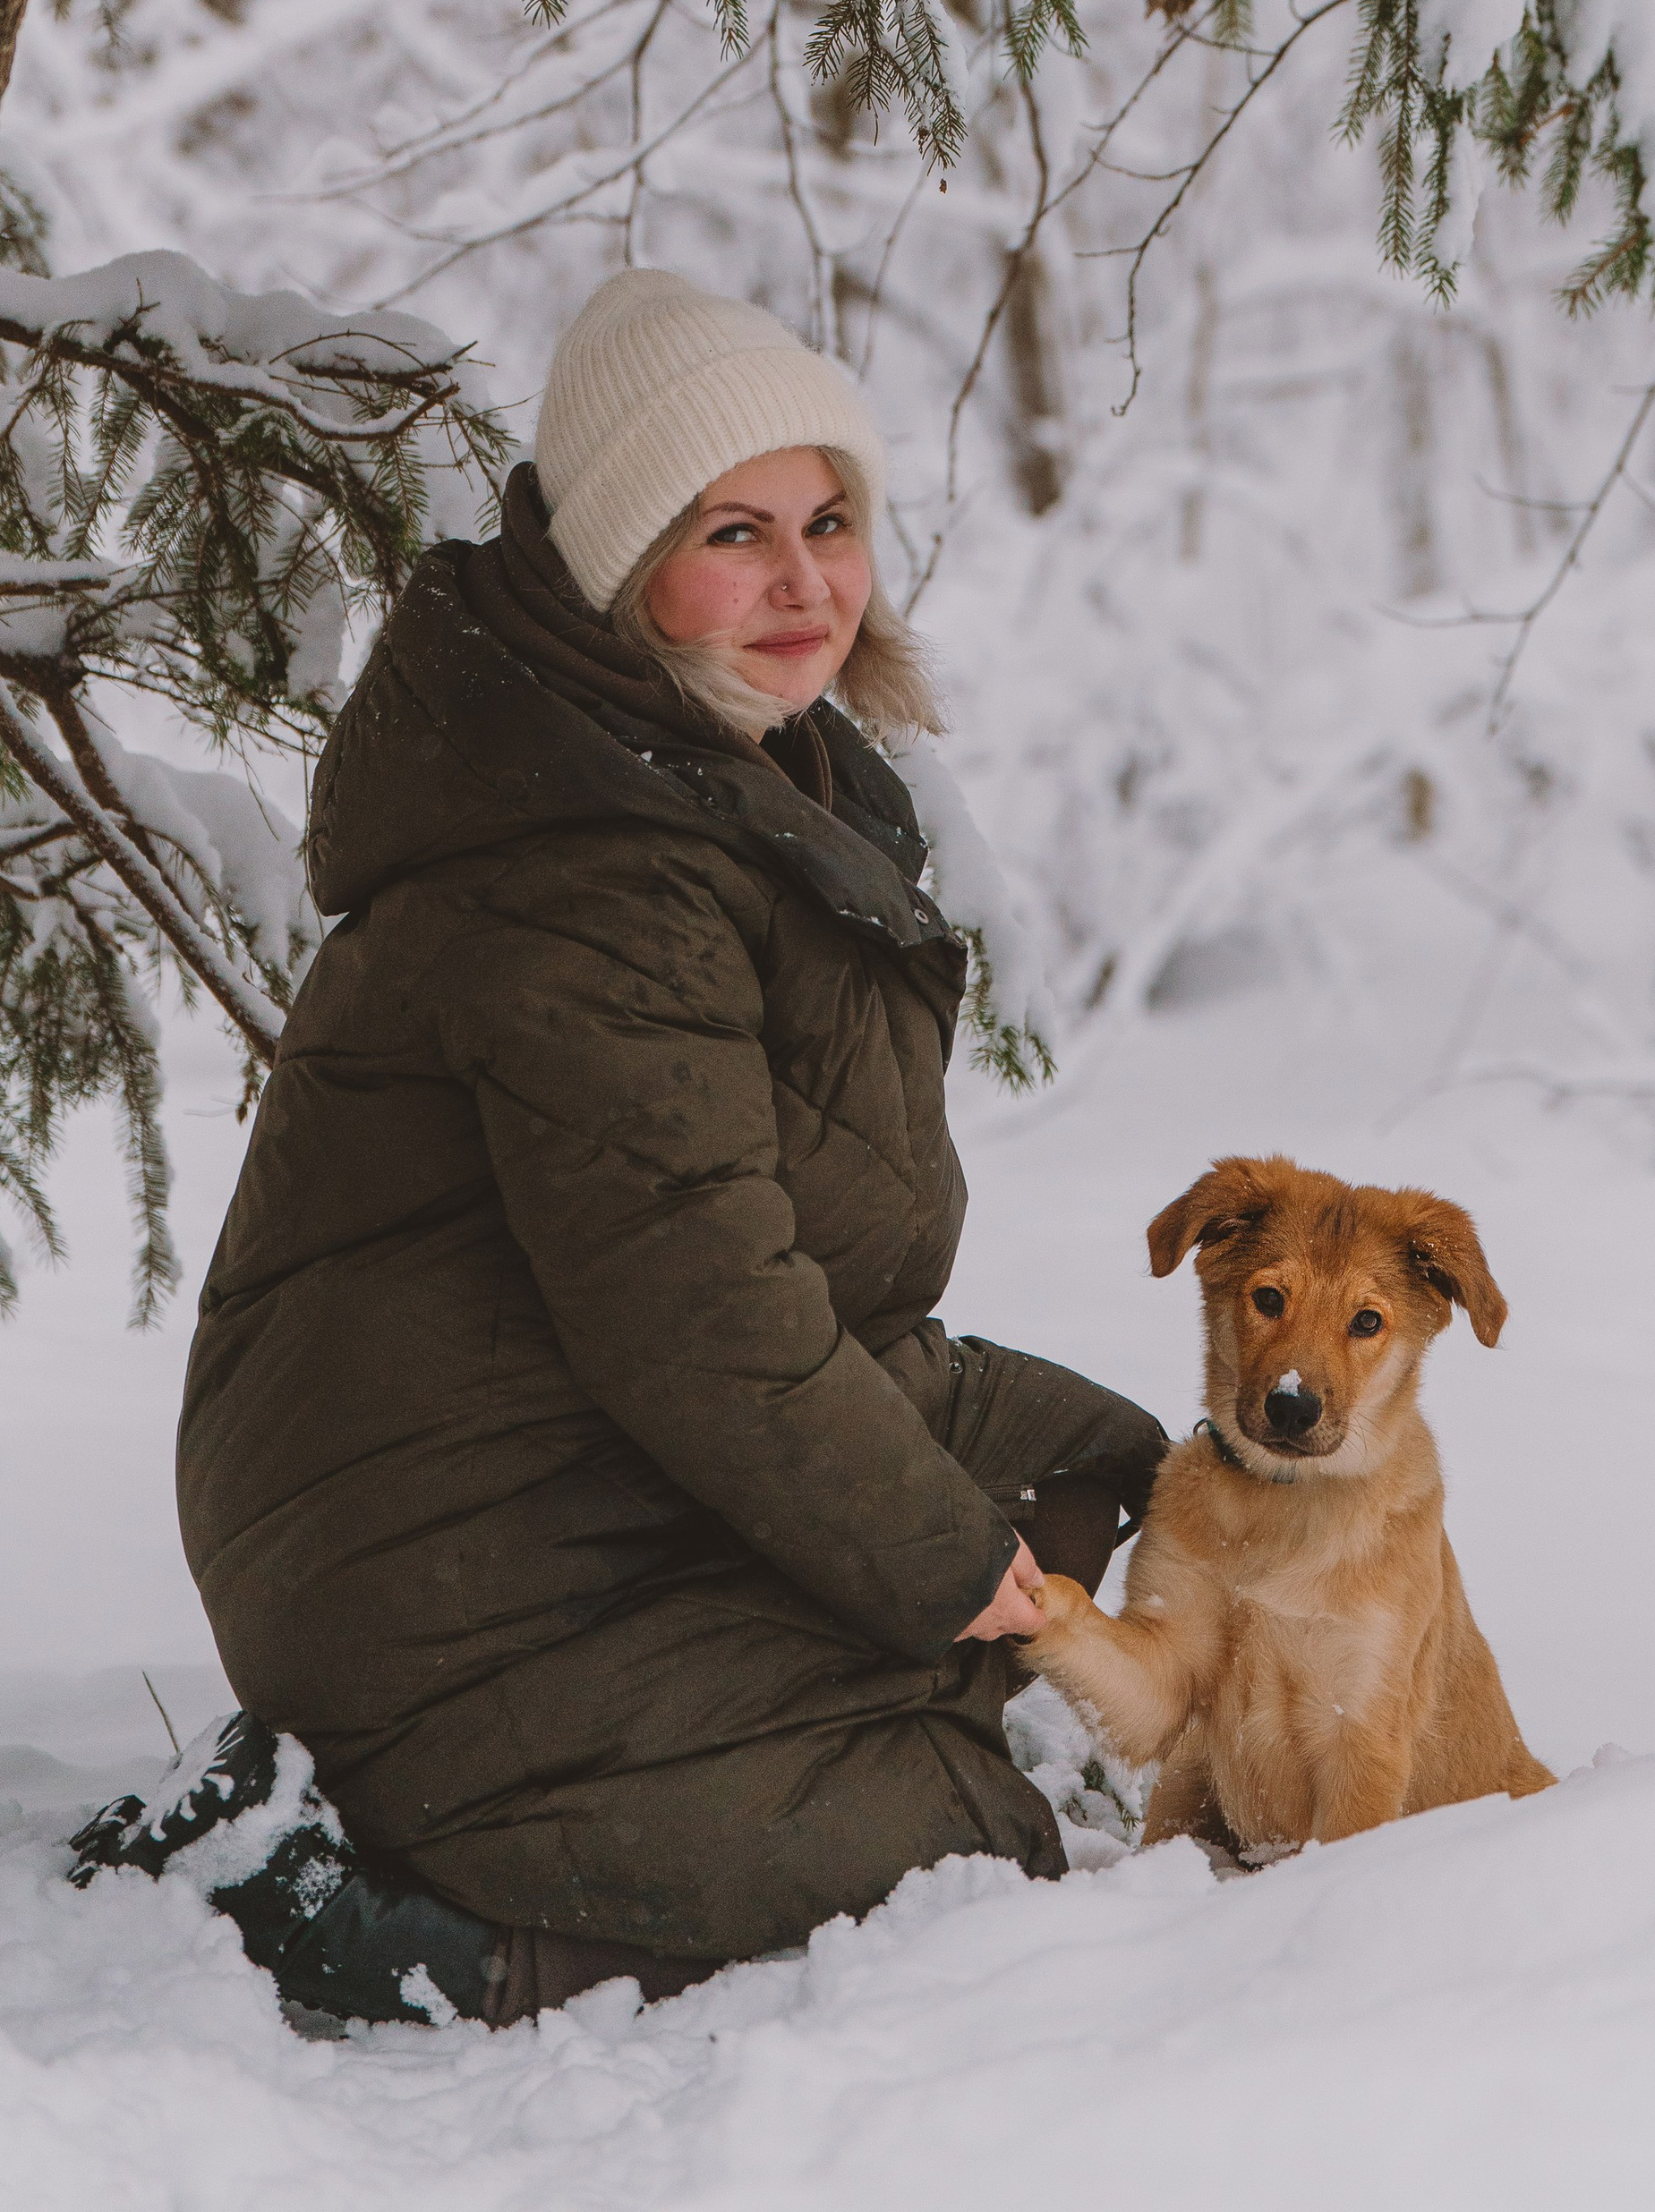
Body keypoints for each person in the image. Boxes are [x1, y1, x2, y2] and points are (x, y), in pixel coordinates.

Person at [175, 268, 1166, 2023]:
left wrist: (961, 1550)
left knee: (1104, 1467)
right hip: (456, 1554)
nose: (804, 582)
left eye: (828, 522)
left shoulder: (746, 782)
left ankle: (809, 1709)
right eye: (734, 532)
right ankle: (396, 1920)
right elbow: (701, 1321)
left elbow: (766, 1289)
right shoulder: (589, 871)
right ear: (625, 564)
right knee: (960, 1839)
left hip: (594, 1449)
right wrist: (942, 1566)